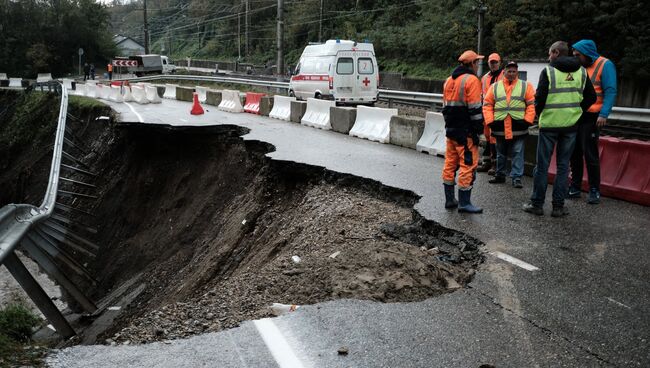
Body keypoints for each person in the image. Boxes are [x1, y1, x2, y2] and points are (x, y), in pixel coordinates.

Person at [523, 41, 596, 217]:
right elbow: (591, 97)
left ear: (556, 52)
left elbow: (539, 99)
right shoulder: (582, 72)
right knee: (563, 167)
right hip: (571, 126)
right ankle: (558, 207)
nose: (549, 57)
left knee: (542, 166)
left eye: (550, 53)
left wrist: (540, 115)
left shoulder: (548, 71)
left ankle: (537, 204)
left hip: (549, 125)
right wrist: (576, 111)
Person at [569, 39, 617, 204]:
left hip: (593, 116)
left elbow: (610, 90)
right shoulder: (579, 67)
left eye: (578, 55)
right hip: (578, 115)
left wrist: (604, 113)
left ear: (587, 54)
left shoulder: (605, 64)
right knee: (574, 152)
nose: (575, 58)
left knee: (590, 153)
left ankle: (594, 189)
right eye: (574, 55)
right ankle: (575, 186)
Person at [441, 50, 485, 214]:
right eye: (477, 63)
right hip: (465, 132)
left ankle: (450, 199)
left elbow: (445, 107)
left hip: (451, 131)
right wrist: (478, 131)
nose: (478, 66)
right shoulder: (472, 80)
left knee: (450, 164)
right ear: (472, 64)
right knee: (468, 165)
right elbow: (475, 109)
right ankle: (464, 203)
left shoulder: (448, 81)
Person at [482, 61, 536, 188]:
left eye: (514, 71)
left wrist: (527, 120)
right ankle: (500, 174)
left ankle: (516, 177)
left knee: (517, 152)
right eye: (509, 71)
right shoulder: (495, 87)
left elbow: (531, 105)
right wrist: (490, 121)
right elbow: (487, 105)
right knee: (501, 153)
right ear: (504, 72)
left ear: (517, 72)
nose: (511, 73)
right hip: (499, 126)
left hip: (519, 126)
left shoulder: (525, 86)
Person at [477, 53, 505, 175]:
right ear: (488, 63)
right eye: (491, 62)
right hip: (486, 111)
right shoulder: (484, 78)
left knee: (495, 139)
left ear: (500, 63)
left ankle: (495, 165)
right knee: (488, 137)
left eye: (495, 62)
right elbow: (481, 95)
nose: (493, 64)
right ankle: (487, 162)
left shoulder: (505, 75)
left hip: (499, 112)